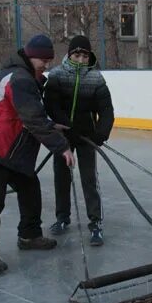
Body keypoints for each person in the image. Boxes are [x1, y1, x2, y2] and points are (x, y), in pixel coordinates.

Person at [0, 34, 76, 273]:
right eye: (43, 60)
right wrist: (61, 146)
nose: (46, 65)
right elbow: (32, 117)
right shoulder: (19, 79)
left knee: (30, 188)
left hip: (12, 150)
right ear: (30, 56)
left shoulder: (24, 76)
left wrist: (52, 126)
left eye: (49, 60)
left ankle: (29, 235)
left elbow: (29, 113)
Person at [44, 35, 114, 246]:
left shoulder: (96, 78)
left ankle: (95, 223)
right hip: (63, 136)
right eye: (77, 54)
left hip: (87, 137)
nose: (81, 59)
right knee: (62, 177)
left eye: (85, 55)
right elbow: (51, 105)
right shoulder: (56, 75)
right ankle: (62, 218)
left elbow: (106, 110)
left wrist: (100, 134)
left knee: (89, 179)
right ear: (69, 54)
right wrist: (65, 125)